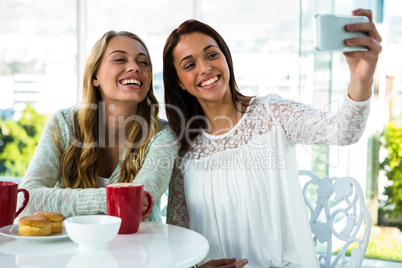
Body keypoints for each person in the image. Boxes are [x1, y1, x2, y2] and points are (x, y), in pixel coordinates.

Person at [163, 9, 381, 268]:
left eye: (212, 55)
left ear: (226, 58)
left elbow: (343, 131)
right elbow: (178, 237)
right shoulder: (183, 149)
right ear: (179, 82)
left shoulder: (272, 113)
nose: (206, 67)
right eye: (190, 65)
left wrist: (362, 78)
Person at [17, 31, 180, 222]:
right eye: (120, 59)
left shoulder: (163, 135)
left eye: (143, 62)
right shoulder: (63, 123)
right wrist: (108, 200)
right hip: (69, 249)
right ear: (95, 76)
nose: (135, 67)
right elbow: (27, 199)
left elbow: (139, 204)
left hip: (139, 249)